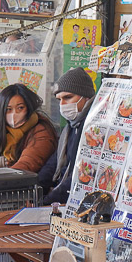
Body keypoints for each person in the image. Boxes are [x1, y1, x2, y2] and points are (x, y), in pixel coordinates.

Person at [0, 83, 58, 188]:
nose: (14, 114)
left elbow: (26, 166)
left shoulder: (42, 132)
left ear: (29, 107)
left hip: (31, 193)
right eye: (8, 109)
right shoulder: (3, 131)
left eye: (20, 108)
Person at [42, 68, 98, 206]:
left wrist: (47, 201)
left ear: (86, 97)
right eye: (59, 99)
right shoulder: (71, 127)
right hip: (60, 194)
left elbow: (80, 173)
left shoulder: (95, 129)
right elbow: (54, 161)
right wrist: (35, 187)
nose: (62, 105)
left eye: (68, 97)